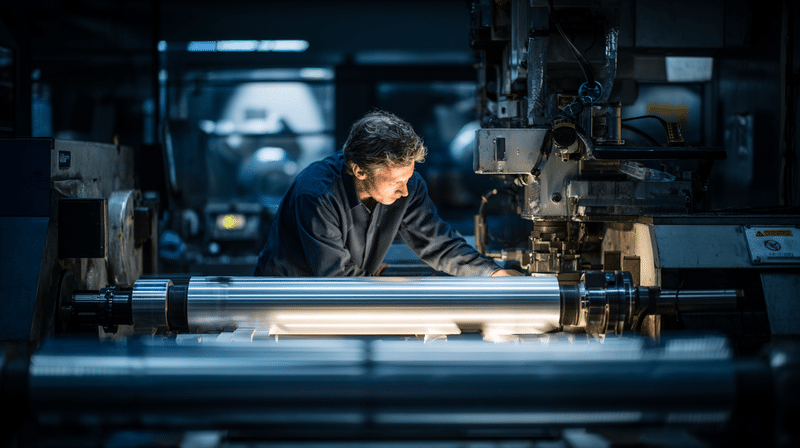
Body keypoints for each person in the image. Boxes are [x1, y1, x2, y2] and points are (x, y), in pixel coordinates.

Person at [253, 109, 521, 277]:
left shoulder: (408, 184)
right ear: (359, 171)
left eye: (408, 177)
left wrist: (492, 274)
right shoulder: (316, 196)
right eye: (395, 181)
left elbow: (438, 244)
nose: (404, 191)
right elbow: (336, 279)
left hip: (348, 300)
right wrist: (399, 296)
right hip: (289, 303)